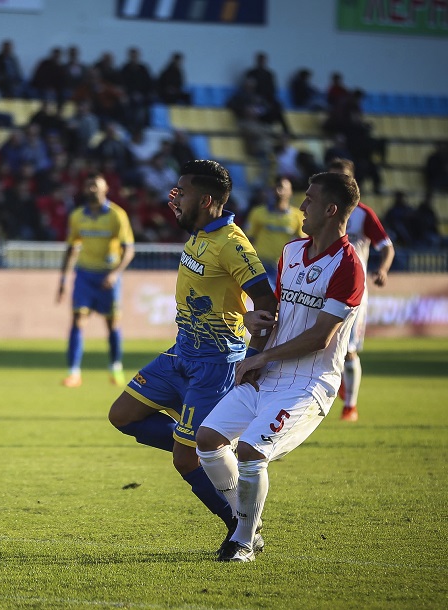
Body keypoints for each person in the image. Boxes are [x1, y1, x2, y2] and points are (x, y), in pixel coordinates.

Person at [107, 160, 278, 554]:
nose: (174, 197)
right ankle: (213, 450)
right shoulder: (201, 232)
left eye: (181, 191)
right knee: (122, 416)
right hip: (180, 353)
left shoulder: (233, 244)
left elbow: (267, 303)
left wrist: (254, 359)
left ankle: (241, 527)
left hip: (215, 366)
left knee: (184, 460)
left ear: (205, 199)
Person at [196, 171, 365, 562]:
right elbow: (271, 310)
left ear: (330, 209)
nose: (302, 207)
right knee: (207, 441)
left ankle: (242, 540)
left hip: (309, 382)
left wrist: (262, 356)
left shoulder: (347, 266)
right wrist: (255, 339)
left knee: (252, 452)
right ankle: (248, 523)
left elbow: (321, 337)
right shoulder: (291, 252)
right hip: (266, 371)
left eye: (309, 200)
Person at [326, 158, 393, 421]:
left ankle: (350, 406)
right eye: (332, 178)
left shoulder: (363, 214)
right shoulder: (319, 211)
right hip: (320, 285)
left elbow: (387, 246)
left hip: (353, 290)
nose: (338, 184)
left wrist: (383, 269)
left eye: (342, 178)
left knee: (349, 348)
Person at [57, 173, 135, 387]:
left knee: (112, 324)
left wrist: (115, 273)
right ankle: (73, 373)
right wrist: (63, 280)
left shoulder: (116, 215)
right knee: (77, 321)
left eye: (96, 186)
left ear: (106, 189)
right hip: (84, 275)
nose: (92, 189)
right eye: (89, 185)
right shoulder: (77, 216)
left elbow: (128, 250)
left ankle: (115, 368)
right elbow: (72, 247)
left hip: (107, 276)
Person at [246, 176, 305, 289]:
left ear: (290, 192)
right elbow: (249, 239)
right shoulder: (258, 212)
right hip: (260, 265)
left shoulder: (297, 216)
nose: (279, 191)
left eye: (282, 188)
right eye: (276, 187)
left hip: (283, 267)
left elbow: (303, 244)